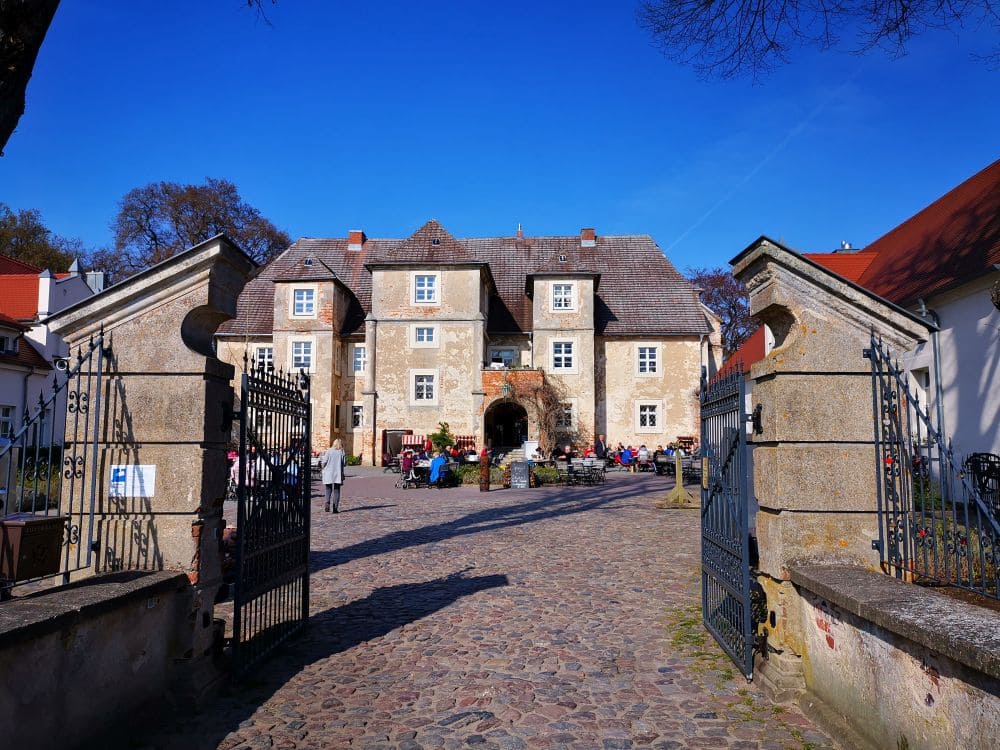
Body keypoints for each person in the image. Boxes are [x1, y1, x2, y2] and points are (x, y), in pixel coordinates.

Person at [320, 438, 347, 512]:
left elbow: (324, 461)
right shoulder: (341, 452)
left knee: (328, 489)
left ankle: (327, 504)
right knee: (337, 490)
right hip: (338, 473)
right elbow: (344, 463)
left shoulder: (329, 451)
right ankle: (335, 507)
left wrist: (322, 467)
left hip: (328, 473)